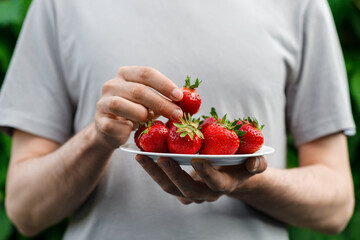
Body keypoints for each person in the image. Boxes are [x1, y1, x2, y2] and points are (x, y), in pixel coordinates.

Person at [0, 0, 356, 239]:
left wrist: (247, 182)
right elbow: (25, 210)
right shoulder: (59, 6)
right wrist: (97, 138)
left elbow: (336, 206)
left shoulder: (301, 4)